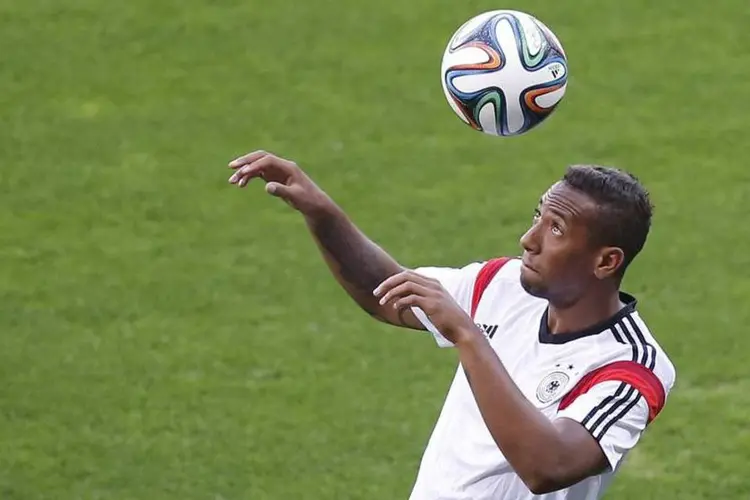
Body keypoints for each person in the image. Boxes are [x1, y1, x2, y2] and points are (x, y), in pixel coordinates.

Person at [227, 150, 676, 500]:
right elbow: (385, 293)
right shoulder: (503, 285)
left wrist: (467, 335)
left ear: (606, 261)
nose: (529, 239)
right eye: (537, 215)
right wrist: (322, 214)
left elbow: (548, 465)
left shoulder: (632, 367)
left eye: (555, 228)